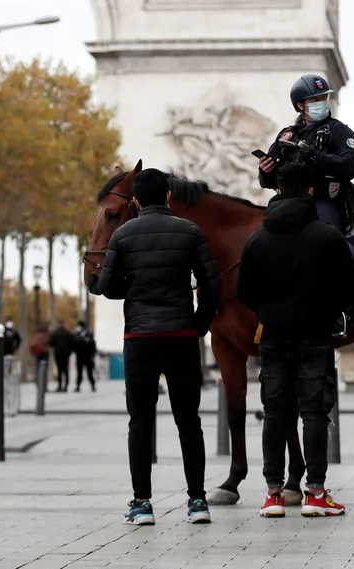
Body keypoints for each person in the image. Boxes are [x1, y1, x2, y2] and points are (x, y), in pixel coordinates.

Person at [92, 167, 222, 526]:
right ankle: (197, 501)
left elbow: (107, 286)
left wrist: (132, 288)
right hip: (181, 337)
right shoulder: (190, 231)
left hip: (140, 339)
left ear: (135, 200)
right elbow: (211, 284)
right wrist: (200, 324)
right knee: (188, 421)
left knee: (140, 421)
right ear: (167, 196)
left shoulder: (123, 235)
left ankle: (142, 503)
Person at [238, 161, 354, 518]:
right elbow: (348, 288)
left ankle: (273, 494)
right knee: (314, 413)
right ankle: (316, 494)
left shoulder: (257, 239)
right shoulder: (328, 237)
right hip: (315, 334)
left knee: (275, 412)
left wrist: (271, 309)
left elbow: (245, 293)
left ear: (276, 191)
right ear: (309, 191)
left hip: (273, 335)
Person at [257, 74, 354, 232]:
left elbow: (351, 165)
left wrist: (316, 157)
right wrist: (265, 171)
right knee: (262, 236)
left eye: (323, 98)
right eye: (314, 100)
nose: (321, 103)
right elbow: (268, 182)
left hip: (324, 201)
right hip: (286, 201)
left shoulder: (338, 130)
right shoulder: (287, 135)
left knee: (328, 237)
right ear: (300, 105)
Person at [49, 320, 76, 393]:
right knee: (66, 369)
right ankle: (66, 385)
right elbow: (73, 342)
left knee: (59, 369)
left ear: (58, 325)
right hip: (66, 353)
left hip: (58, 353)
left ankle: (60, 385)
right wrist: (70, 351)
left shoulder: (55, 333)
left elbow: (50, 343)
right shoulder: (68, 333)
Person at [73, 321, 98, 392]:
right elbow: (74, 345)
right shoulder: (77, 335)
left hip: (87, 357)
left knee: (89, 373)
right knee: (79, 373)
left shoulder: (89, 335)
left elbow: (93, 346)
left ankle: (93, 386)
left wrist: (92, 356)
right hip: (80, 357)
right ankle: (78, 386)